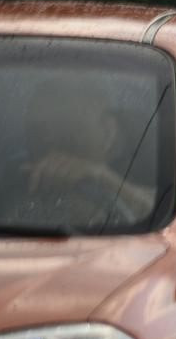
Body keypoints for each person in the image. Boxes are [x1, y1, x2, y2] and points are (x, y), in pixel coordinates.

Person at [12, 80, 159, 229]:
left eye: (68, 132)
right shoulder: (14, 176)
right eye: (37, 133)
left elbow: (174, 219)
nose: (54, 152)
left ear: (109, 131)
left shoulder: (159, 154)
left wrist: (103, 179)